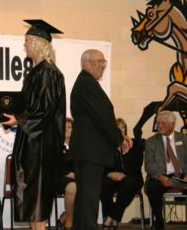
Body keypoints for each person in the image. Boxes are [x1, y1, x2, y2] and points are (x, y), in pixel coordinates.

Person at [2, 19, 66, 230]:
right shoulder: (36, 72)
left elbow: (45, 111)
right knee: (31, 203)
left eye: (27, 40)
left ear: (39, 43)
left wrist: (18, 119)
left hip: (41, 147)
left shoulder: (48, 72)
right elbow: (28, 106)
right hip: (31, 143)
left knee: (37, 204)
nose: (25, 45)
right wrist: (10, 113)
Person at [69, 49, 132, 230]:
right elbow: (102, 117)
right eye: (99, 61)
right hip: (90, 152)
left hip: (87, 151)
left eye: (104, 62)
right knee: (88, 201)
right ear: (87, 63)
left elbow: (99, 117)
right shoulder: (87, 84)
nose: (103, 66)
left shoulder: (85, 83)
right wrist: (119, 139)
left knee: (84, 201)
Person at [145, 110, 187, 230]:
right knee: (152, 187)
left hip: (182, 174)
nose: (159, 126)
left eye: (163, 123)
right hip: (161, 175)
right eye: (158, 123)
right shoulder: (151, 142)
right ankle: (159, 221)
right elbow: (149, 164)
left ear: (172, 124)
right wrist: (160, 176)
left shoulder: (184, 139)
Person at [100, 118, 144, 229]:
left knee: (128, 185)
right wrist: (108, 174)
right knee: (103, 184)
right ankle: (111, 219)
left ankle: (110, 218)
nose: (120, 130)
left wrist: (126, 149)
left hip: (131, 176)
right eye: (117, 128)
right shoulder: (107, 145)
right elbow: (101, 164)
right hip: (111, 176)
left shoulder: (134, 143)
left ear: (126, 130)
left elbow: (137, 164)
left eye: (122, 128)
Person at [56, 117, 76, 230]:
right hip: (59, 178)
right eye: (65, 127)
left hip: (76, 178)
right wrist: (68, 174)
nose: (67, 129)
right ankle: (69, 223)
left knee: (87, 187)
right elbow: (52, 165)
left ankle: (64, 216)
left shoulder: (77, 146)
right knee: (73, 187)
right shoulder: (56, 145)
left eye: (69, 127)